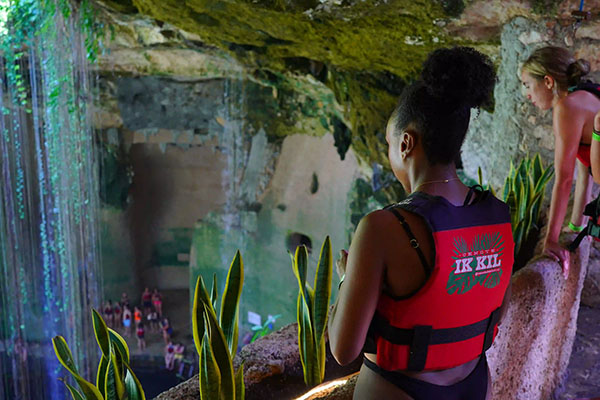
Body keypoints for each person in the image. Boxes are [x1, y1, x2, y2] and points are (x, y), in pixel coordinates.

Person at [327, 47, 514, 400]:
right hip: (475, 383)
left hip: (399, 389)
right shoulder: (497, 216)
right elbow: (496, 310)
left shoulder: (382, 227)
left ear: (406, 143)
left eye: (389, 143)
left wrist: (345, 277)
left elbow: (343, 349)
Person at [521, 46, 600, 275]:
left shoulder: (566, 107)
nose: (527, 94)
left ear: (547, 81)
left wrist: (551, 241)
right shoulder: (585, 94)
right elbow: (584, 173)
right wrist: (575, 225)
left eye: (528, 85)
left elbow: (564, 181)